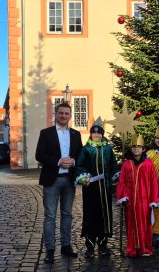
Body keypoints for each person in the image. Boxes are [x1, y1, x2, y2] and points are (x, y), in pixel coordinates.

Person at [35, 102, 84, 263]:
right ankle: (49, 249)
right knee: (50, 215)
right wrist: (58, 161)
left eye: (66, 113)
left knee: (67, 214)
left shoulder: (76, 134)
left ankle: (66, 246)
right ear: (56, 114)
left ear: (70, 115)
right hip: (52, 180)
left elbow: (81, 155)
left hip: (69, 181)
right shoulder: (46, 133)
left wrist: (74, 161)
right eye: (61, 113)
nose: (64, 116)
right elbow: (39, 155)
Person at [115, 134, 159, 258]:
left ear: (143, 149)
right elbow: (122, 181)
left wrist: (154, 199)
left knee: (144, 225)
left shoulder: (148, 164)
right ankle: (132, 249)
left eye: (139, 147)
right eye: (134, 147)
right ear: (131, 148)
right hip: (130, 201)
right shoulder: (126, 164)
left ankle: (145, 248)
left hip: (144, 201)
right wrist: (122, 196)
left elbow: (154, 183)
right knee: (130, 225)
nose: (136, 149)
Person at [74, 124, 118, 258]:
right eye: (94, 133)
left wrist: (116, 175)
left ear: (102, 135)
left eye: (99, 134)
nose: (97, 135)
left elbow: (114, 165)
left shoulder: (108, 149)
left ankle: (103, 244)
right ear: (91, 134)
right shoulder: (86, 149)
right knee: (90, 215)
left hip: (105, 188)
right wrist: (83, 178)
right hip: (90, 188)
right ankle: (90, 246)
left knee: (105, 215)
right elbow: (79, 166)